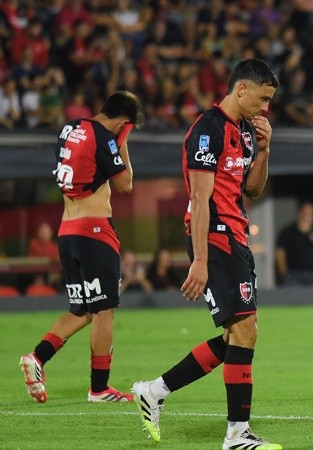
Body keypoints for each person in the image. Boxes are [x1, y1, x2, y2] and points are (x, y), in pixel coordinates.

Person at [131, 59, 282, 450]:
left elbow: (253, 191)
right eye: (262, 98)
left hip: (236, 237)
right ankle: (236, 434)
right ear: (242, 89)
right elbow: (199, 200)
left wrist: (265, 150)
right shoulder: (207, 130)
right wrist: (199, 260)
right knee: (246, 330)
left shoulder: (247, 133)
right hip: (213, 239)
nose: (265, 108)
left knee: (238, 334)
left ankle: (155, 390)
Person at [19, 90, 143, 404]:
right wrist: (122, 143)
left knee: (84, 310)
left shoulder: (69, 129)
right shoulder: (105, 138)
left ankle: (37, 357)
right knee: (104, 310)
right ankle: (99, 388)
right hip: (95, 229)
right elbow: (125, 185)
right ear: (123, 122)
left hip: (68, 230)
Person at [275, 201, 313, 285]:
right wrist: (283, 272)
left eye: (311, 213)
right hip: (294, 275)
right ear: (299, 213)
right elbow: (280, 253)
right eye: (305, 213)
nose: (307, 216)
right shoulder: (287, 232)